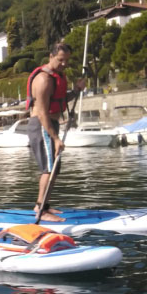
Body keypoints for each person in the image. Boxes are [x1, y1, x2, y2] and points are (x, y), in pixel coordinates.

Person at [26, 42, 85, 222]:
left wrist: (76, 90)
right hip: (42, 126)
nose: (64, 64)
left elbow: (61, 100)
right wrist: (56, 138)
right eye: (60, 60)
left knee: (55, 168)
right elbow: (42, 113)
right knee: (49, 168)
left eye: (67, 60)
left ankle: (46, 204)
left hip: (51, 125)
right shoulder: (43, 80)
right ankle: (40, 208)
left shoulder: (57, 76)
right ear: (51, 56)